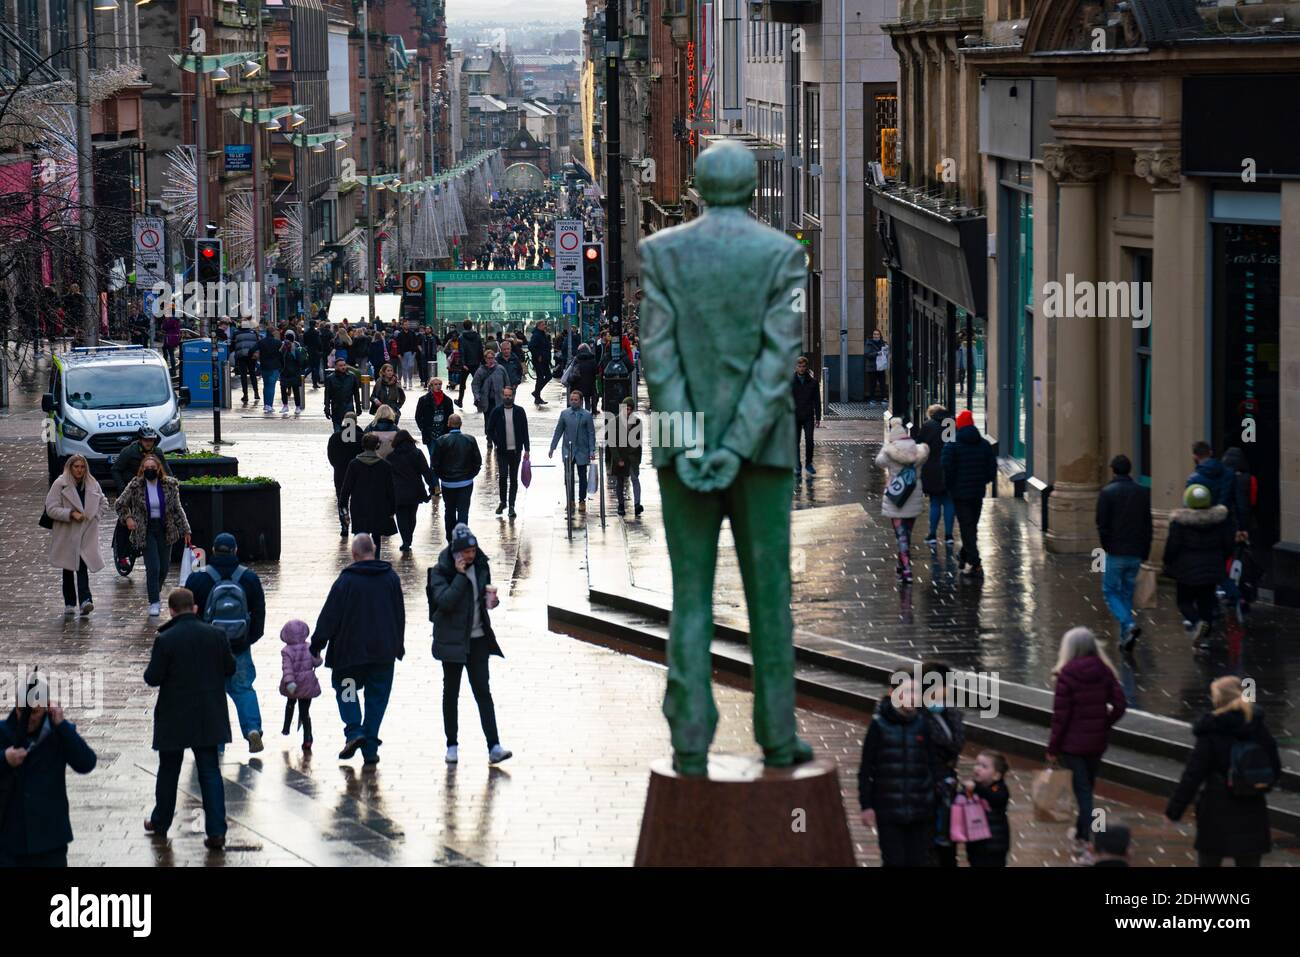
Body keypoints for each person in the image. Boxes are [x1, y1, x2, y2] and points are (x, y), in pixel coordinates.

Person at [142, 588, 235, 850]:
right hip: (209, 713)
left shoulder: (166, 639)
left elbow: (152, 677)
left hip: (174, 715)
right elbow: (230, 667)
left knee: (169, 770)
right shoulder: (216, 635)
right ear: (194, 608)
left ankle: (161, 822)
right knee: (209, 772)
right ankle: (216, 831)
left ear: (171, 610)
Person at [1166, 675, 1281, 867]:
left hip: (1216, 808)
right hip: (1252, 807)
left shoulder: (1211, 730)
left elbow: (1192, 775)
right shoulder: (1258, 727)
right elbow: (1274, 767)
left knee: (1210, 861)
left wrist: (1174, 810)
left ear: (1218, 699)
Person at [311, 534, 405, 767]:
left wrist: (317, 645)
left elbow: (329, 617)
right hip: (383, 652)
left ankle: (354, 731)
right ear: (373, 550)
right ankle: (370, 748)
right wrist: (398, 645)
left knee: (347, 691)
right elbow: (399, 614)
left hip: (349, 655)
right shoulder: (390, 578)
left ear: (354, 555)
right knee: (376, 697)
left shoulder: (346, 582)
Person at [428, 523, 512, 765]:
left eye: (473, 551)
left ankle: (494, 746)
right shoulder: (441, 571)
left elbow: (481, 599)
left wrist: (491, 602)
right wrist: (461, 577)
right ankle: (451, 745)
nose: (470, 556)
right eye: (466, 552)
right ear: (455, 551)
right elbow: (445, 602)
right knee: (451, 694)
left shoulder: (481, 565)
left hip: (478, 641)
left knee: (483, 692)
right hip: (452, 641)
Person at [1046, 626, 1127, 865]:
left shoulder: (1066, 674)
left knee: (1083, 794)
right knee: (1087, 789)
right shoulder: (1104, 671)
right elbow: (1120, 705)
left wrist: (1052, 748)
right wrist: (1105, 723)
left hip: (1072, 744)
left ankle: (1088, 842)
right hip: (1096, 742)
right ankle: (1082, 834)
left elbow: (1060, 718)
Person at [0, 676, 97, 866]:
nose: (27, 718)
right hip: (9, 839)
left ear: (46, 707)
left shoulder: (59, 733)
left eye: (34, 712)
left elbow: (86, 763)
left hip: (50, 839)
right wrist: (4, 758)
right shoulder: (3, 732)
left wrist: (62, 726)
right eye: (22, 711)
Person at [185, 532, 267, 754]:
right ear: (235, 551)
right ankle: (252, 730)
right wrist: (247, 639)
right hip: (238, 646)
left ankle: (216, 742)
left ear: (212, 551)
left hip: (207, 648)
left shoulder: (198, 578)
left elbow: (188, 615)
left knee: (212, 694)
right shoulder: (249, 578)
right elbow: (259, 616)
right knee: (243, 689)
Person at [857, 676, 937, 867]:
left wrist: (933, 797)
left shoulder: (923, 724)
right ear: (893, 694)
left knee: (919, 861)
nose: (912, 698)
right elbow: (867, 768)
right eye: (908, 692)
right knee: (894, 861)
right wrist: (866, 805)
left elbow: (933, 764)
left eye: (917, 693)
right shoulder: (878, 725)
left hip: (919, 810)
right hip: (888, 810)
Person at [115, 454, 191, 617]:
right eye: (147, 468)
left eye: (153, 468)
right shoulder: (135, 485)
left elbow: (177, 509)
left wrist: (185, 529)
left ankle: (154, 590)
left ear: (159, 469)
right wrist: (128, 518)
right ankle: (154, 601)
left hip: (166, 529)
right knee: (153, 567)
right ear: (142, 469)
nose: (150, 470)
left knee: (163, 568)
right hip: (146, 530)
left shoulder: (169, 485)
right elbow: (120, 504)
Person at [1163, 484, 1235, 648]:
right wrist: (1220, 560)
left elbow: (1172, 546)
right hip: (1212, 568)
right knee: (1206, 602)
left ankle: (1196, 623)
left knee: (1184, 602)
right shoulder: (1219, 521)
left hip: (1186, 570)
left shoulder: (1180, 523)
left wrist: (1168, 562)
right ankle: (1205, 637)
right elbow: (1227, 545)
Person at [1095, 453, 1153, 651]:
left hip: (1116, 551)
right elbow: (1148, 525)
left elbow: (1102, 525)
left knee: (1110, 591)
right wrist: (1145, 551)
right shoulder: (1142, 492)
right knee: (1126, 594)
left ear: (1113, 470)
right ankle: (1124, 638)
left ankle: (1128, 625)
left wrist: (1107, 547)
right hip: (1136, 552)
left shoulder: (1107, 493)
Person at [45, 455, 107, 617]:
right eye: (76, 467)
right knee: (68, 569)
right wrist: (71, 514)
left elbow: (103, 502)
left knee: (82, 566)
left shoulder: (92, 484)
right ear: (70, 467)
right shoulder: (60, 484)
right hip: (67, 534)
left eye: (82, 467)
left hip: (86, 534)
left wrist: (96, 517)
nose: (79, 470)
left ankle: (86, 600)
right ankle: (70, 602)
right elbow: (51, 508)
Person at [941, 409, 997, 577]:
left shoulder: (952, 444)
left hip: (960, 494)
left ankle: (975, 562)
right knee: (971, 525)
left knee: (967, 526)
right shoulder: (984, 444)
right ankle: (964, 555)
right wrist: (983, 481)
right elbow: (991, 468)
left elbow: (946, 467)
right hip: (978, 492)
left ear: (958, 425)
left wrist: (950, 486)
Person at [876, 417, 929, 585]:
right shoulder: (918, 450)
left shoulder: (889, 452)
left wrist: (887, 447)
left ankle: (906, 569)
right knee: (907, 534)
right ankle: (901, 564)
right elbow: (925, 454)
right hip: (913, 495)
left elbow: (878, 462)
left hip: (896, 497)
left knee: (901, 536)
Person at [922, 660, 965, 867]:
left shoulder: (950, 712)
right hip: (925, 791)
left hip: (947, 790)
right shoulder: (917, 717)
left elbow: (957, 744)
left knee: (947, 846)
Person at [340, 433, 397, 560]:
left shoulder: (354, 464)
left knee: (360, 537)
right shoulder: (385, 465)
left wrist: (343, 506)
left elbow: (346, 488)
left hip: (359, 506)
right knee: (377, 538)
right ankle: (375, 561)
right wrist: (392, 509)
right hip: (379, 506)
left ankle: (360, 562)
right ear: (377, 446)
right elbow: (390, 490)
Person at [433, 414, 482, 542]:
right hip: (465, 481)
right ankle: (461, 536)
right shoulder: (470, 440)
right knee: (463, 510)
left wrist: (442, 476)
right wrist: (471, 475)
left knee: (449, 510)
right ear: (460, 424)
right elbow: (478, 461)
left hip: (448, 482)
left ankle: (450, 537)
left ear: (448, 424)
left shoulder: (441, 441)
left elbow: (435, 464)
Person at [485, 385, 529, 518]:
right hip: (502, 451)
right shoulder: (497, 411)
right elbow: (490, 429)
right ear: (502, 395)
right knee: (503, 476)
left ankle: (511, 505)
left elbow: (525, 431)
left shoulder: (520, 411)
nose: (508, 397)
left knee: (514, 478)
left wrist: (527, 449)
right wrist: (497, 442)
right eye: (506, 395)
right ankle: (503, 501)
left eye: (510, 395)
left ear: (513, 396)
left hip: (516, 451)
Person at [550, 389, 597, 513]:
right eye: (571, 399)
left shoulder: (586, 415)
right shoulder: (564, 414)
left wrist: (592, 450)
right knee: (568, 477)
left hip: (582, 450)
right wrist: (552, 447)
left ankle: (582, 500)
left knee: (582, 476)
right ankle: (570, 500)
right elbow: (558, 431)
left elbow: (591, 434)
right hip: (568, 450)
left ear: (581, 401)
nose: (573, 402)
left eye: (576, 400)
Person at [914, 404, 954, 548]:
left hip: (932, 469)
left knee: (935, 502)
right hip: (950, 468)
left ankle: (932, 534)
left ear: (931, 414)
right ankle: (949, 535)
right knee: (949, 502)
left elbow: (919, 445)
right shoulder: (951, 424)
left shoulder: (928, 426)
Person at [279, 620, 322, 751]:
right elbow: (317, 662)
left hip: (293, 685)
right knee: (305, 712)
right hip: (307, 684)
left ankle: (286, 727)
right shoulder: (309, 647)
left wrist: (290, 682)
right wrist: (318, 655)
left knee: (290, 703)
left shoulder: (286, 651)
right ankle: (308, 737)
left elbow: (287, 668)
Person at [963, 751, 1011, 868]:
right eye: (977, 764)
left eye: (984, 766)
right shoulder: (974, 786)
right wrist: (967, 791)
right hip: (976, 843)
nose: (978, 768)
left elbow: (994, 797)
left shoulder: (998, 788)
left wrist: (976, 788)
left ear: (996, 775)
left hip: (994, 845)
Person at [388, 430, 430, 553]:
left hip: (398, 492)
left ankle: (405, 539)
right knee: (412, 515)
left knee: (401, 517)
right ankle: (408, 538)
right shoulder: (417, 453)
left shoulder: (391, 457)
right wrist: (432, 487)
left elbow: (387, 477)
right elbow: (425, 471)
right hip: (415, 490)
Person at [415, 377, 455, 496]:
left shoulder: (447, 400)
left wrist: (449, 431)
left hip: (443, 434)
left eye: (440, 384)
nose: (438, 386)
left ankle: (441, 483)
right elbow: (418, 417)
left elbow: (451, 417)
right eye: (435, 384)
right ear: (430, 386)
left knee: (443, 459)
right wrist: (423, 429)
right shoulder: (423, 400)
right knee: (433, 459)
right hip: (430, 435)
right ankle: (435, 485)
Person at [1186, 440, 1237, 528]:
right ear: (1210, 453)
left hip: (1203, 526)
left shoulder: (1193, 479)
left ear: (1194, 456)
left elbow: (1189, 506)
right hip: (1225, 526)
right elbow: (1237, 503)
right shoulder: (1230, 474)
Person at [327, 412, 363, 538]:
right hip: (358, 474)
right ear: (355, 422)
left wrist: (337, 466)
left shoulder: (335, 437)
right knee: (357, 500)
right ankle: (357, 525)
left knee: (342, 500)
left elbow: (331, 456)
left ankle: (344, 525)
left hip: (340, 473)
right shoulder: (361, 437)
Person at [607, 395, 643, 517]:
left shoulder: (637, 422)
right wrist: (618, 459)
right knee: (620, 481)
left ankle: (637, 504)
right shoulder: (615, 422)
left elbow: (638, 442)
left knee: (635, 479)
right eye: (626, 409)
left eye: (630, 409)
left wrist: (637, 460)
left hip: (632, 457)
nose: (627, 411)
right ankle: (621, 505)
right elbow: (612, 442)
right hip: (620, 456)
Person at [111, 426, 169, 492]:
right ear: (140, 440)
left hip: (151, 484)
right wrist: (122, 488)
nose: (148, 443)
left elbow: (166, 470)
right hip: (131, 486)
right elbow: (115, 470)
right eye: (145, 440)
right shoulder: (128, 451)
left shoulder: (158, 452)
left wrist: (171, 485)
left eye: (151, 440)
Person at [791, 356, 821, 476]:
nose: (801, 369)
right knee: (795, 441)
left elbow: (817, 401)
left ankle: (809, 463)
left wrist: (818, 417)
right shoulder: (791, 382)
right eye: (799, 366)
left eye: (803, 366)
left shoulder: (813, 382)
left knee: (809, 440)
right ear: (796, 367)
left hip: (808, 415)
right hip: (795, 415)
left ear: (806, 367)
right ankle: (797, 465)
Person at [472, 350, 509, 445]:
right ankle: (489, 438)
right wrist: (477, 396)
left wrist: (508, 395)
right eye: (488, 358)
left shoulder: (501, 369)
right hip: (486, 401)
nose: (490, 360)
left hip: (499, 401)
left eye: (492, 358)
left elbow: (507, 383)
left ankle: (497, 439)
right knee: (488, 421)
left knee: (499, 421)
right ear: (485, 359)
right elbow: (475, 384)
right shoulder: (481, 370)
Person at [323, 356, 362, 433]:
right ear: (336, 367)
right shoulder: (330, 378)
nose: (343, 367)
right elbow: (327, 395)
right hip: (336, 408)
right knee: (337, 433)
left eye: (344, 365)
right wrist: (327, 408)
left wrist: (358, 407)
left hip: (349, 408)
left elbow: (356, 394)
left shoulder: (352, 377)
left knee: (349, 434)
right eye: (340, 366)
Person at [279, 330, 307, 415]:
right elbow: (279, 357)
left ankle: (295, 406)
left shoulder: (296, 348)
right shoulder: (283, 347)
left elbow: (299, 360)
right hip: (286, 372)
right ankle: (287, 406)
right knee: (284, 389)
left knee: (295, 390)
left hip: (293, 372)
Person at [256, 326, 283, 414]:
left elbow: (252, 350)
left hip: (264, 366)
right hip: (274, 367)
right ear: (273, 333)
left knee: (266, 385)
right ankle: (269, 405)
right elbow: (282, 354)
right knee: (271, 386)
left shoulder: (261, 342)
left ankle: (266, 404)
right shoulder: (278, 343)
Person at [233, 323, 261, 405]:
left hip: (241, 355)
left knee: (243, 375)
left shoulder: (236, 333)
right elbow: (257, 343)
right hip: (251, 356)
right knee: (252, 374)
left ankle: (245, 395)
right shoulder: (254, 332)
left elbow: (232, 344)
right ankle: (256, 393)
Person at [569, 342, 599, 413]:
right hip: (589, 384)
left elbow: (572, 371)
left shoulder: (576, 359)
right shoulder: (592, 360)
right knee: (587, 399)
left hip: (578, 385)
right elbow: (596, 371)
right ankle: (587, 414)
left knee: (579, 400)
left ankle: (579, 414)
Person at [529, 320, 552, 406]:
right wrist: (538, 355)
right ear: (538, 326)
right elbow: (531, 346)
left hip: (544, 360)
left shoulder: (542, 334)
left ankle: (536, 393)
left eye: (544, 325)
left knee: (548, 376)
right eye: (543, 325)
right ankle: (537, 397)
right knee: (540, 378)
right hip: (539, 360)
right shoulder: (536, 335)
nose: (544, 326)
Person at [865, 329, 888, 403]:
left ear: (880, 335)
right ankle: (872, 398)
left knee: (882, 383)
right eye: (874, 334)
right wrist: (877, 353)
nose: (876, 336)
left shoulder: (883, 343)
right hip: (872, 367)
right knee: (872, 384)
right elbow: (867, 354)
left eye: (877, 334)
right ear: (872, 335)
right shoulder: (869, 343)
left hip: (881, 366)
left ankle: (884, 398)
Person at [397, 321, 420, 390]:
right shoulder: (400, 334)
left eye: (407, 324)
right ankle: (405, 382)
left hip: (411, 352)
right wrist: (398, 353)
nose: (406, 326)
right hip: (403, 353)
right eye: (405, 324)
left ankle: (410, 379)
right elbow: (398, 344)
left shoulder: (412, 333)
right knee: (404, 368)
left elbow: (416, 342)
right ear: (403, 325)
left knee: (410, 366)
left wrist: (415, 351)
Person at [303, 320, 324, 389]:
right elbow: (319, 342)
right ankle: (314, 382)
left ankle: (303, 376)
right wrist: (320, 350)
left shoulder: (306, 333)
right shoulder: (316, 332)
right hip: (316, 351)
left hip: (309, 350)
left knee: (311, 366)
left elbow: (305, 342)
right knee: (316, 367)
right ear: (314, 325)